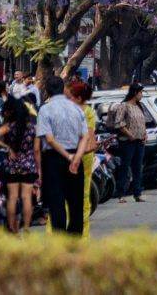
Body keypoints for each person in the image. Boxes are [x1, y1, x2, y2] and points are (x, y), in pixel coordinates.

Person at [36, 75, 88, 235]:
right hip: (75, 157)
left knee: (56, 202)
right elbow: (85, 137)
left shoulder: (45, 109)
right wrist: (76, 158)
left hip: (53, 160)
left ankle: (60, 240)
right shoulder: (76, 108)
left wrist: (67, 156)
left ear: (47, 91)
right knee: (76, 203)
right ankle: (75, 239)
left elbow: (49, 139)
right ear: (63, 89)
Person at [0, 97, 40, 234]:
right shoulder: (34, 128)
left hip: (12, 166)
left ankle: (12, 228)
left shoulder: (8, 126)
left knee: (12, 198)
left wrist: (8, 148)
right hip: (28, 166)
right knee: (27, 198)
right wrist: (39, 169)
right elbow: (36, 150)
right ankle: (27, 228)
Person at [108, 82, 147, 203]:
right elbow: (119, 123)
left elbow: (142, 123)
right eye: (140, 92)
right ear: (135, 93)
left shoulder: (139, 106)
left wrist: (144, 134)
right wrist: (129, 135)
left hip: (139, 142)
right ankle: (121, 194)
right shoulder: (124, 106)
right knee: (125, 168)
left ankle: (137, 193)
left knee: (138, 168)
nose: (141, 94)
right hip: (127, 142)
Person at [67, 81, 97, 236]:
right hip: (77, 155)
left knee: (80, 196)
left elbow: (90, 142)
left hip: (77, 156)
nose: (68, 99)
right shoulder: (87, 112)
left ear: (78, 98)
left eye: (71, 96)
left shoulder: (85, 113)